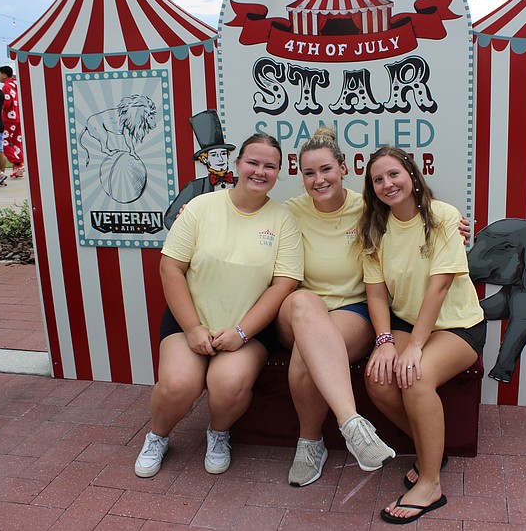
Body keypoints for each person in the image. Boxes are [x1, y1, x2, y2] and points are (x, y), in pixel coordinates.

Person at [134, 133, 303, 478]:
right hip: (189, 322)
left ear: (279, 172)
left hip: (248, 329)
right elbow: (171, 267)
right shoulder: (200, 207)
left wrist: (241, 332)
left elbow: (284, 283)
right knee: (179, 385)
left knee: (228, 384)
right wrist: (194, 328)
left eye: (270, 166)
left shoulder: (283, 220)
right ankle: (157, 435)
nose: (260, 171)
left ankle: (218, 433)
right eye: (253, 163)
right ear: (238, 164)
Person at [357, 146, 486, 525]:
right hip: (406, 323)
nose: (387, 184)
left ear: (412, 176)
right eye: (378, 179)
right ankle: (432, 450)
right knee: (378, 379)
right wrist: (384, 342)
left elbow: (440, 287)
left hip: (457, 325)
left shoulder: (443, 217)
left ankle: (430, 483)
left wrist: (414, 347)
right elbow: (376, 292)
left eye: (394, 174)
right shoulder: (374, 227)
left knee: (415, 378)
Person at [277, 127, 395, 487]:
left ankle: (310, 443)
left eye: (326, 169)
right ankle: (352, 423)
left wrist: (453, 224)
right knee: (302, 301)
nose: (318, 179)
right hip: (297, 310)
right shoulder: (287, 212)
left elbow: (416, 216)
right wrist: (196, 210)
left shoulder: (368, 207)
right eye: (309, 173)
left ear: (344, 167)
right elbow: (239, 218)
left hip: (351, 311)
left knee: (306, 356)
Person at [0, 65, 24, 178]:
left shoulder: (6, 86)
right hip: (18, 116)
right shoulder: (17, 84)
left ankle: (17, 163)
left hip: (9, 118)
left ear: (4, 75)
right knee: (17, 142)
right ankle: (19, 167)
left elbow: (7, 103)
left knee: (6, 143)